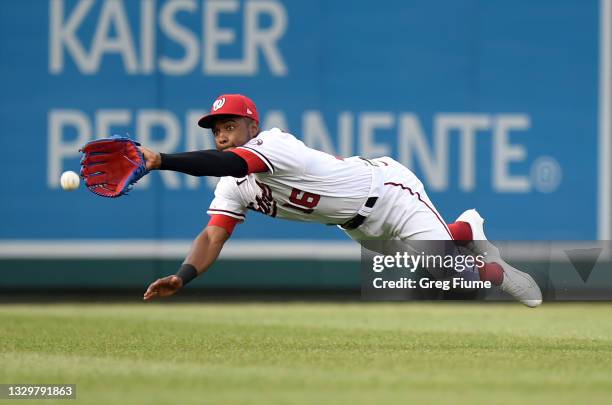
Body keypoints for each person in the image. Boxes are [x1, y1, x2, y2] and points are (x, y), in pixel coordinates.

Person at [141, 94, 542, 307]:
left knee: (451, 279)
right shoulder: (233, 184)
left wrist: (162, 160)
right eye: (217, 130)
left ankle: (479, 248)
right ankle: (461, 232)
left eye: (231, 125)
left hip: (387, 193)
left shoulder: (273, 145)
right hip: (356, 226)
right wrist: (184, 275)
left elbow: (228, 161)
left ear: (253, 126)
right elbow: (213, 236)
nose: (223, 134)